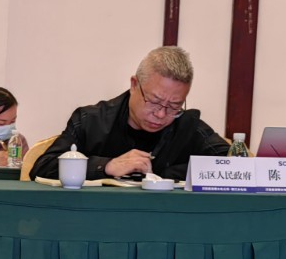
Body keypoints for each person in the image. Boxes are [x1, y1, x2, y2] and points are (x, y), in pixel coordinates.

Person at [31, 46, 228, 182]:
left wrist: (163, 174)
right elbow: (42, 168)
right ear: (134, 85)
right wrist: (106, 166)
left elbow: (234, 167)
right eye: (154, 101)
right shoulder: (91, 121)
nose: (161, 114)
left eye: (174, 105)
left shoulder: (188, 126)